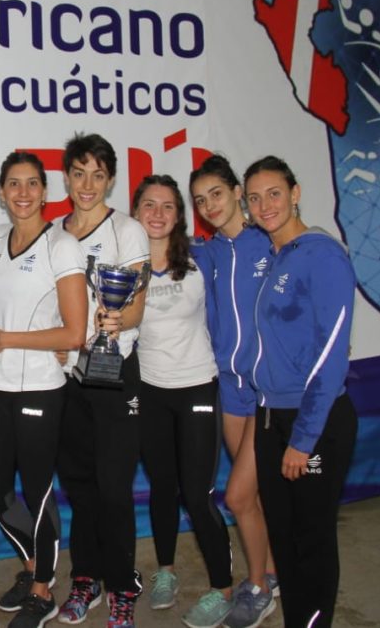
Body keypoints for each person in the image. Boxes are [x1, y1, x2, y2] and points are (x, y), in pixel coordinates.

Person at [243, 156, 357, 628]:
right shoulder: (277, 257)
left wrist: (303, 439)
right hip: (272, 418)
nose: (264, 204)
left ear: (296, 192)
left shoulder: (322, 254)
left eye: (274, 193)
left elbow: (332, 354)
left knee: (311, 540)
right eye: (254, 197)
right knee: (285, 540)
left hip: (313, 421)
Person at [0, 152, 88, 628]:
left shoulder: (61, 246)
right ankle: (32, 566)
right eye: (13, 184)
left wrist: (9, 339)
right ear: (2, 192)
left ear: (46, 192)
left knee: (37, 491)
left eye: (31, 184)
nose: (22, 193)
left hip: (40, 390)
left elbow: (75, 334)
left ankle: (43, 590)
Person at [52, 133, 149, 627]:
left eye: (98, 174)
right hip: (68, 377)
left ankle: (122, 585)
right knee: (81, 486)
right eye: (78, 173)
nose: (87, 184)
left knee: (114, 488)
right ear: (66, 177)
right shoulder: (53, 234)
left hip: (114, 374)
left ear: (110, 180)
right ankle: (85, 579)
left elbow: (136, 302)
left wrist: (119, 321)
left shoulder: (127, 231)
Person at [131, 175, 233, 628]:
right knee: (162, 487)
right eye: (149, 205)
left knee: (197, 492)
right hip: (150, 390)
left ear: (179, 215)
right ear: (135, 211)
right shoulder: (122, 265)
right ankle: (166, 573)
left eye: (167, 206)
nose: (157, 214)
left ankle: (223, 589)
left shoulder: (201, 259)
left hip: (196, 386)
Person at [189, 154, 279, 628]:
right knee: (256, 497)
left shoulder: (272, 242)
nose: (209, 206)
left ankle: (258, 587)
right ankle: (275, 572)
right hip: (230, 387)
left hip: (270, 391)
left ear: (237, 192)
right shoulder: (205, 253)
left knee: (239, 496)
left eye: (217, 194)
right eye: (200, 201)